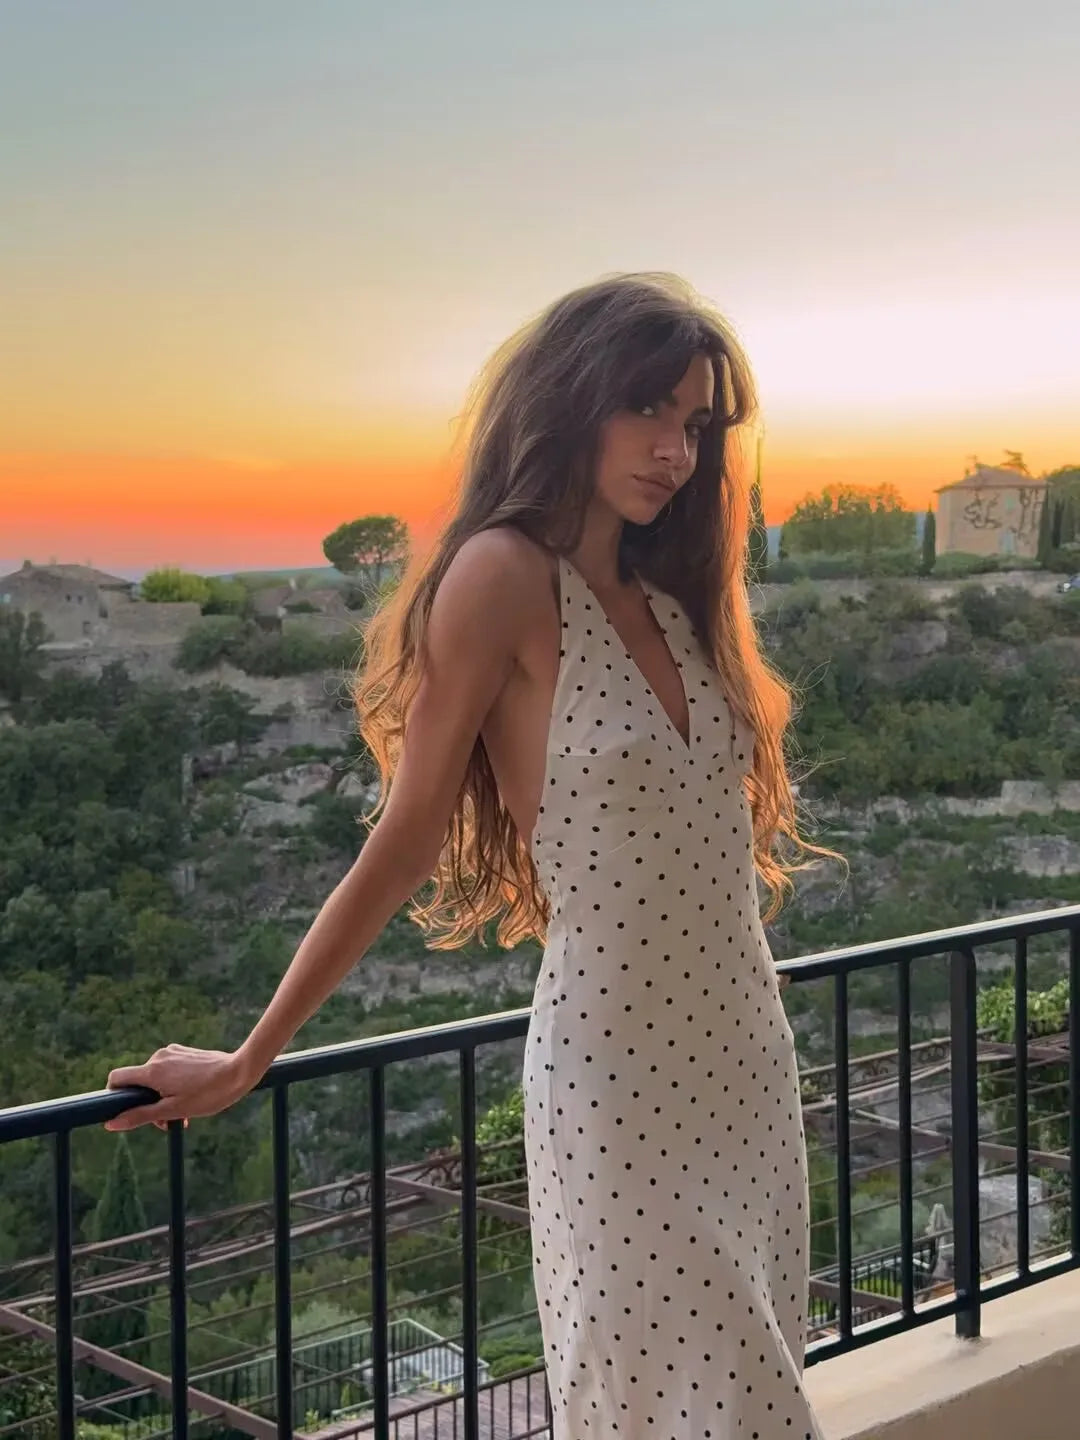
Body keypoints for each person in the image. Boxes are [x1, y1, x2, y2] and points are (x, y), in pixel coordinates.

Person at [106, 272, 832, 1438]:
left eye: (696, 425)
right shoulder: (501, 576)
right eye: (649, 410)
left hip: (745, 1064)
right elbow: (403, 842)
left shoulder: (679, 590)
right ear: (574, 399)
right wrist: (252, 1057)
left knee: (747, 1393)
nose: (675, 451)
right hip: (620, 1083)